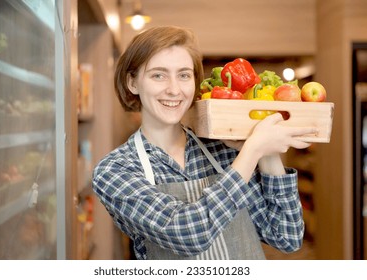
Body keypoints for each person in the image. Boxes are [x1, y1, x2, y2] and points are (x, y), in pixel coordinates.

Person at [92, 26, 317, 260]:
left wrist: (267, 151)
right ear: (133, 83)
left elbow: (287, 237)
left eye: (184, 75)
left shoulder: (222, 151)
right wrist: (253, 150)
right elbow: (190, 234)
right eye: (158, 75)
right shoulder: (115, 170)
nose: (174, 89)